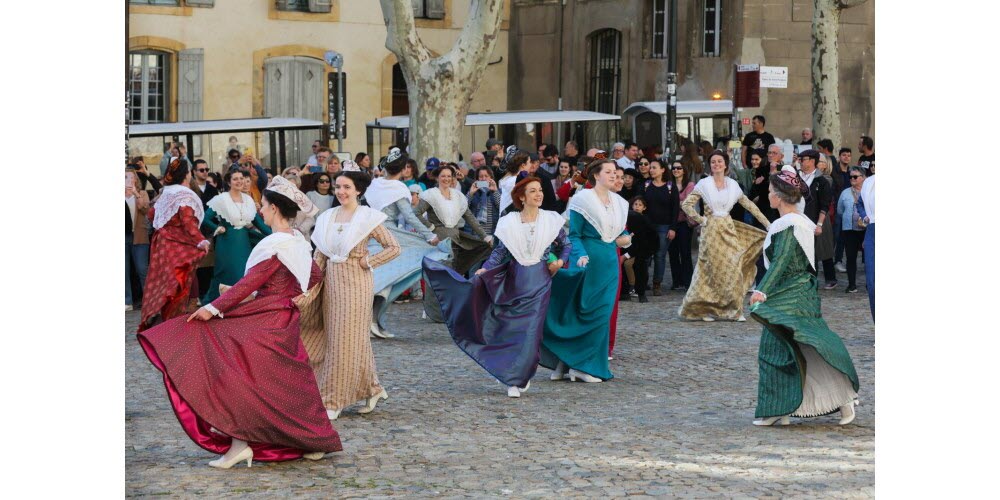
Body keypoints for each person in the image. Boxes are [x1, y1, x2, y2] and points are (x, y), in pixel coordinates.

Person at [137, 176, 342, 468]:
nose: (261, 210)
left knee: (238, 376)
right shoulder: (296, 240)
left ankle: (240, 445)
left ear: (274, 209)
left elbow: (249, 283)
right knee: (288, 384)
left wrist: (212, 308)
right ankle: (311, 440)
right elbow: (314, 276)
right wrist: (287, 294)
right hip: (284, 317)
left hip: (266, 319)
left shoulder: (276, 244)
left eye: (264, 205)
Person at [424, 176, 572, 397]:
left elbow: (566, 245)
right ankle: (513, 370)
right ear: (522, 197)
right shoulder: (509, 222)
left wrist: (559, 262)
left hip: (540, 281)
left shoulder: (551, 220)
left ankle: (517, 378)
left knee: (531, 330)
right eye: (533, 191)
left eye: (540, 190)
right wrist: (485, 269)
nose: (539, 194)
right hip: (516, 279)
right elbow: (500, 252)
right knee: (513, 328)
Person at [748, 168, 859, 426]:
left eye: (770, 191)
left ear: (778, 196)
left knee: (783, 348)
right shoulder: (797, 222)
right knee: (804, 345)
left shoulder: (789, 223)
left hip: (791, 293)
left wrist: (762, 289)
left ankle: (784, 408)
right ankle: (784, 409)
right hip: (797, 292)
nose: (768, 195)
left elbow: (782, 259)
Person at [299, 171, 401, 419]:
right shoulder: (327, 216)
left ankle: (333, 399)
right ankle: (373, 388)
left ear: (358, 190)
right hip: (330, 284)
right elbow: (319, 255)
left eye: (347, 187)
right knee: (345, 338)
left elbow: (394, 247)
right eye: (338, 186)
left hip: (356, 285)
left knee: (343, 341)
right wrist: (309, 285)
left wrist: (368, 261)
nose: (341, 191)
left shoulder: (368, 217)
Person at [542, 159, 630, 383]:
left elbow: (619, 232)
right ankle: (575, 365)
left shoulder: (620, 202)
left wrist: (625, 239)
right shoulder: (582, 199)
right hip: (587, 261)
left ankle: (575, 364)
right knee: (582, 312)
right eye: (608, 172)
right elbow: (574, 235)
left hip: (609, 262)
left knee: (602, 313)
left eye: (615, 172)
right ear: (596, 175)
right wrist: (580, 255)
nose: (613, 175)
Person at [365, 149, 448, 338]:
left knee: (380, 277)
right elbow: (409, 216)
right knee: (388, 278)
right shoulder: (398, 189)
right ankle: (372, 320)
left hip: (369, 232)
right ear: (403, 169)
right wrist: (429, 235)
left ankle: (373, 321)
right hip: (388, 234)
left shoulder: (375, 183)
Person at [679, 150, 770, 322]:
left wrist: (767, 224)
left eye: (719, 161)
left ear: (726, 164)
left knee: (734, 269)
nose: (716, 164)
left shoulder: (733, 185)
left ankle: (735, 310)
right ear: (710, 165)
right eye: (713, 162)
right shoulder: (704, 184)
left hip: (728, 229)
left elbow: (749, 205)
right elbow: (686, 205)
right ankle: (702, 309)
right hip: (710, 231)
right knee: (709, 271)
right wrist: (701, 220)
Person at [138, 159, 210, 332]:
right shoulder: (183, 195)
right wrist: (201, 240)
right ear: (187, 174)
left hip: (162, 247)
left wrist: (167, 228)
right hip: (179, 246)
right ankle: (176, 325)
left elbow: (151, 215)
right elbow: (188, 221)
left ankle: (164, 321)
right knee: (180, 283)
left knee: (165, 283)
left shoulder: (166, 193)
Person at [200, 170, 273, 304]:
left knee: (243, 273)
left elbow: (258, 222)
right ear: (229, 182)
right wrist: (216, 228)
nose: (239, 181)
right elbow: (205, 218)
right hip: (226, 242)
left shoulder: (248, 200)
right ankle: (215, 303)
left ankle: (240, 305)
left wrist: (276, 234)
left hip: (243, 243)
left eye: (241, 178)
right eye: (235, 179)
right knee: (225, 272)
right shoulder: (221, 199)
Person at [415, 164, 493, 276]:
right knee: (440, 275)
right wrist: (431, 229)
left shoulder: (458, 196)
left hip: (455, 240)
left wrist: (484, 236)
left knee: (453, 273)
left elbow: (470, 218)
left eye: (449, 176)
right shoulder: (431, 195)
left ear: (452, 178)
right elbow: (416, 213)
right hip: (439, 242)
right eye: (443, 176)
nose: (446, 179)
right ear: (437, 178)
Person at [797, 150, 838, 289]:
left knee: (816, 252)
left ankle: (813, 283)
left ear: (812, 161)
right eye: (800, 159)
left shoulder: (822, 180)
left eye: (803, 159)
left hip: (814, 221)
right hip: (798, 220)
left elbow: (825, 205)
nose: (800, 162)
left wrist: (819, 224)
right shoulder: (797, 178)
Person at [641, 159, 680, 296]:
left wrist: (673, 228)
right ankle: (642, 283)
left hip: (664, 227)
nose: (651, 170)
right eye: (650, 168)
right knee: (645, 256)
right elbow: (640, 205)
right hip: (647, 227)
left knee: (660, 256)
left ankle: (657, 283)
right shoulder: (646, 185)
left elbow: (675, 208)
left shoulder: (670, 187)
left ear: (663, 170)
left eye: (654, 167)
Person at [620, 196, 658, 303]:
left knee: (637, 266)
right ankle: (624, 291)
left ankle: (637, 290)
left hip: (642, 250)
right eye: (635, 204)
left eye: (640, 205)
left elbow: (644, 242)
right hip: (629, 248)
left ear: (644, 208)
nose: (637, 207)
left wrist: (626, 256)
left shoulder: (646, 221)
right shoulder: (627, 218)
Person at [836, 167, 868, 294]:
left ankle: (870, 284)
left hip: (867, 230)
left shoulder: (869, 192)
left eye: (855, 177)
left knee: (869, 258)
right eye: (850, 177)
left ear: (863, 178)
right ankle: (852, 285)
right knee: (850, 257)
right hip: (849, 229)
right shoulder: (845, 193)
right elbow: (840, 210)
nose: (852, 179)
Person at [667, 162, 696, 290]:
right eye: (674, 168)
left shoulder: (690, 185)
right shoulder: (669, 185)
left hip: (684, 222)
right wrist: (678, 203)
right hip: (671, 223)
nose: (676, 170)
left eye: (679, 168)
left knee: (685, 252)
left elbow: (687, 203)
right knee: (672, 252)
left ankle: (688, 281)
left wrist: (674, 203)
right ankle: (676, 281)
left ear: (684, 170)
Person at [126, 169, 151, 311]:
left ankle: (148, 300)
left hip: (139, 236)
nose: (128, 180)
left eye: (131, 177)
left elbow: (145, 209)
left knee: (142, 269)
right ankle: (127, 301)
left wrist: (135, 193)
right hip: (124, 235)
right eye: (125, 177)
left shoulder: (142, 193)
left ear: (135, 179)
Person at [856, 175, 875, 320]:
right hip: (872, 232)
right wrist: (865, 216)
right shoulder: (868, 182)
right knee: (872, 283)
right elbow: (860, 203)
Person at [467, 166, 502, 237]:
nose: (483, 179)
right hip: (475, 233)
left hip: (492, 233)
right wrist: (470, 193)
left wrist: (495, 191)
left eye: (486, 176)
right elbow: (463, 208)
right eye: (481, 176)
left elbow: (502, 208)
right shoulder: (473, 192)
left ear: (491, 177)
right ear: (477, 179)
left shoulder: (497, 191)